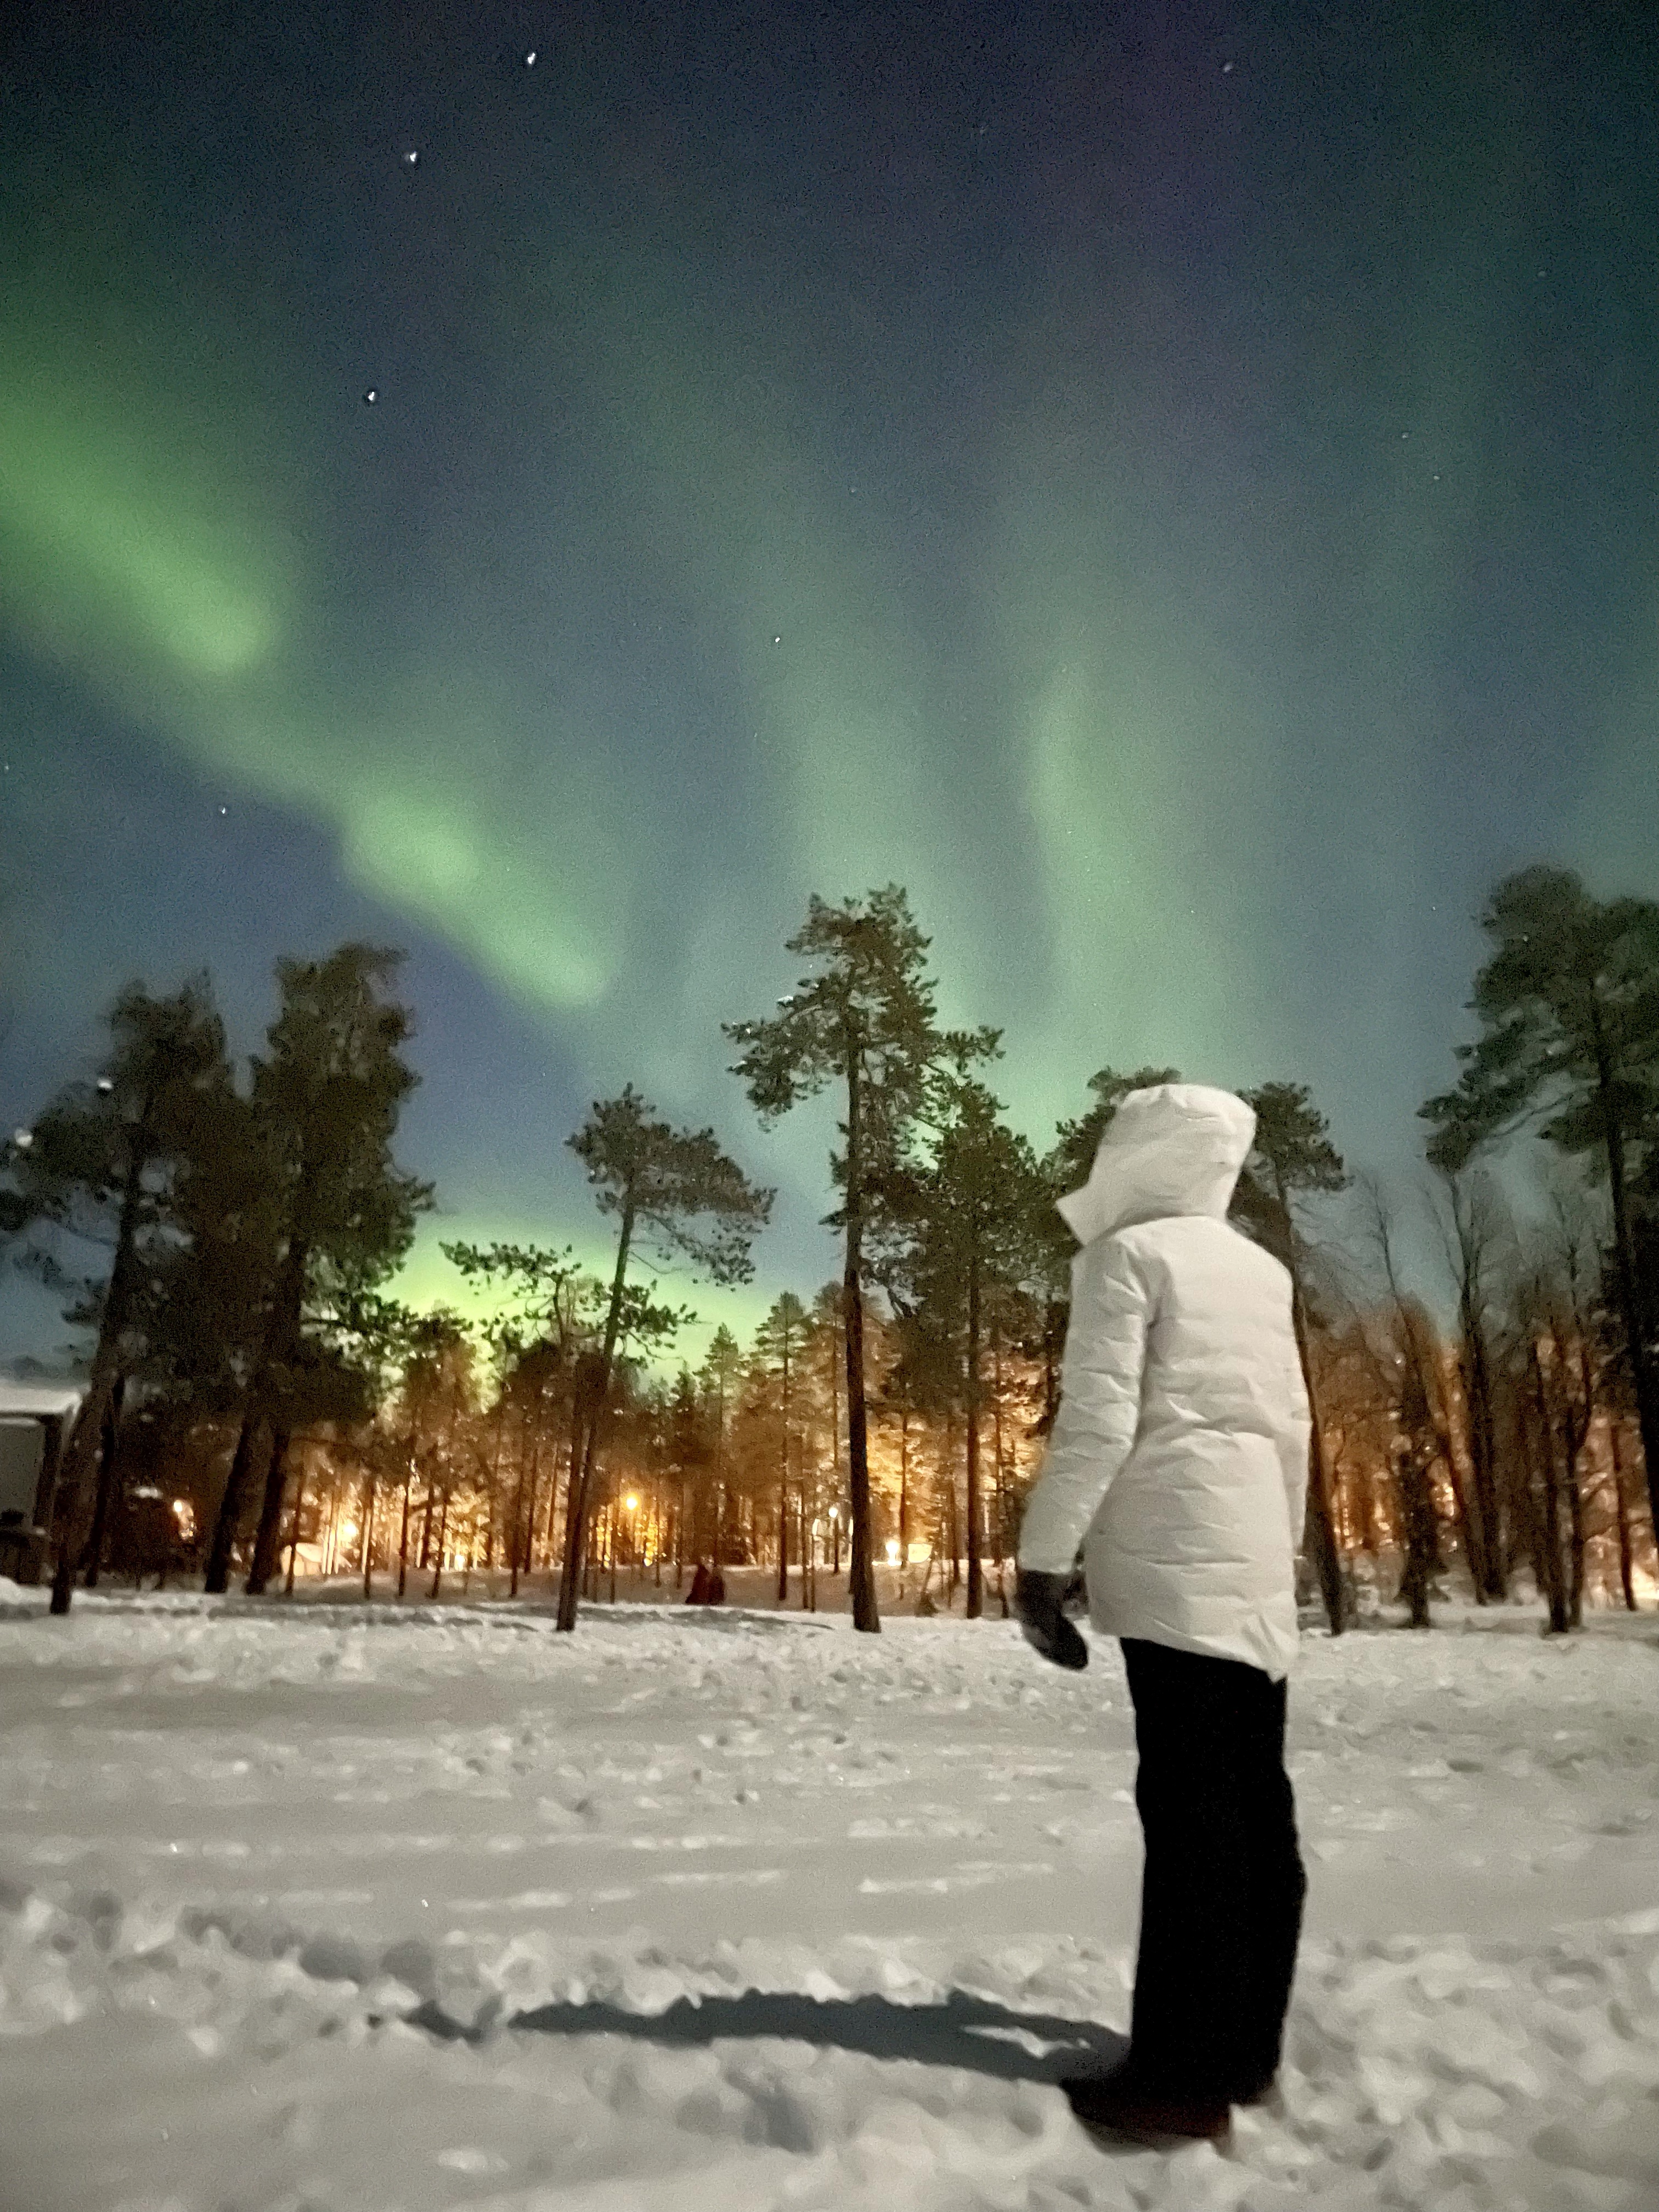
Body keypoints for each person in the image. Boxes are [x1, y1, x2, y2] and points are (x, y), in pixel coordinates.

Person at [1015, 1084, 1312, 2146]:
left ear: (1140, 1153)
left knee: (1189, 1820)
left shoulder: (1124, 1261)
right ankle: (1247, 2051)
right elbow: (1291, 1424)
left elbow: (1098, 1421)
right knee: (1256, 1811)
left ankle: (1178, 2082)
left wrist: (1042, 1562)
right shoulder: (1262, 1271)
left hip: (1174, 1570)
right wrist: (1286, 1550)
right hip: (1252, 1570)